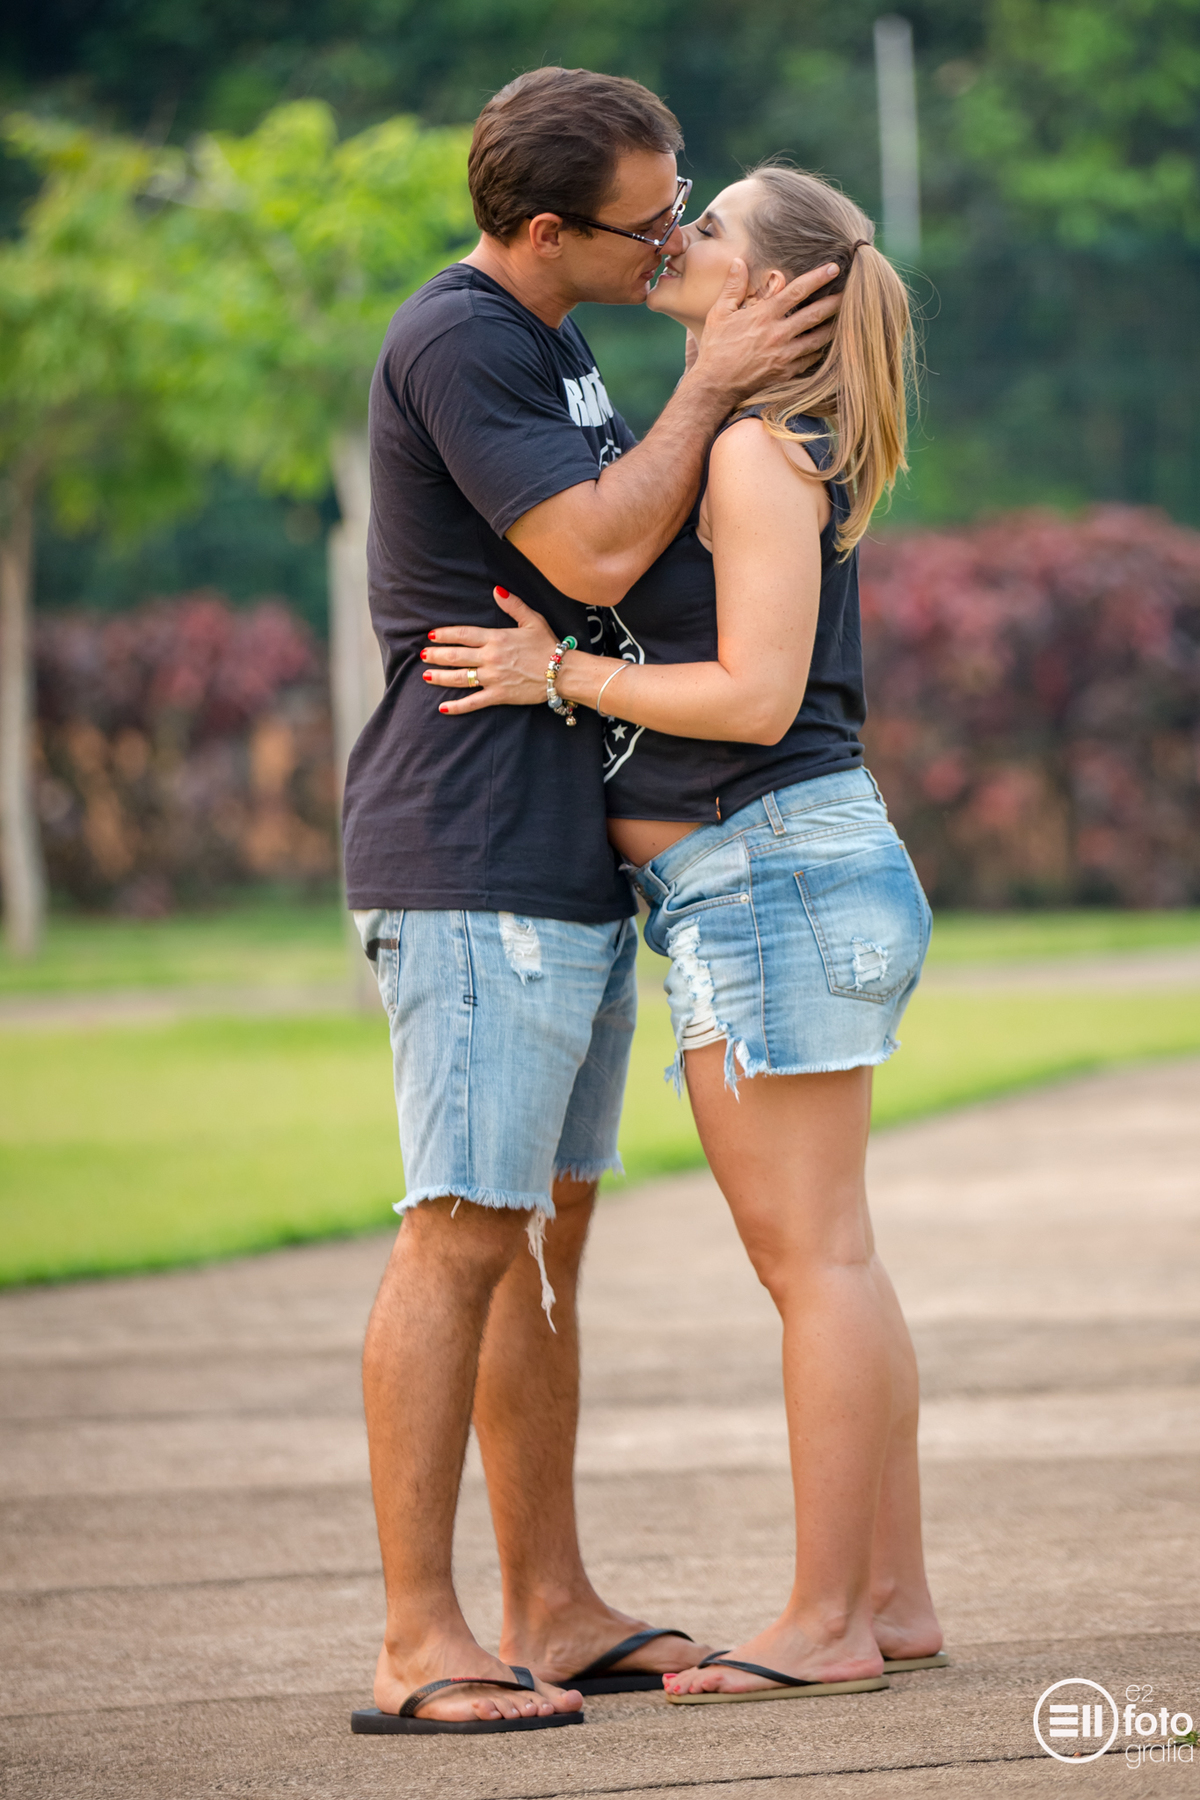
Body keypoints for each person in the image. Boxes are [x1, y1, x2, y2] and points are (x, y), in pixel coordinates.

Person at [342, 71, 843, 1735]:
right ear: (546, 229)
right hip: (470, 847)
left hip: (557, 853)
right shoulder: (465, 338)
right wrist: (707, 385)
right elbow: (602, 554)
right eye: (652, 216)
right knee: (462, 1232)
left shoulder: (556, 339)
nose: (678, 231)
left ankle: (549, 1606)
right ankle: (425, 1641)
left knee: (544, 1244)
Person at [423, 163, 945, 1707]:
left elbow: (756, 700)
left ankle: (827, 1621)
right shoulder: (750, 441)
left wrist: (557, 679)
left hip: (769, 866)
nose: (678, 236)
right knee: (835, 1259)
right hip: (765, 874)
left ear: (775, 289)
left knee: (816, 1266)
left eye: (709, 226)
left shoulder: (753, 456)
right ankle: (892, 1601)